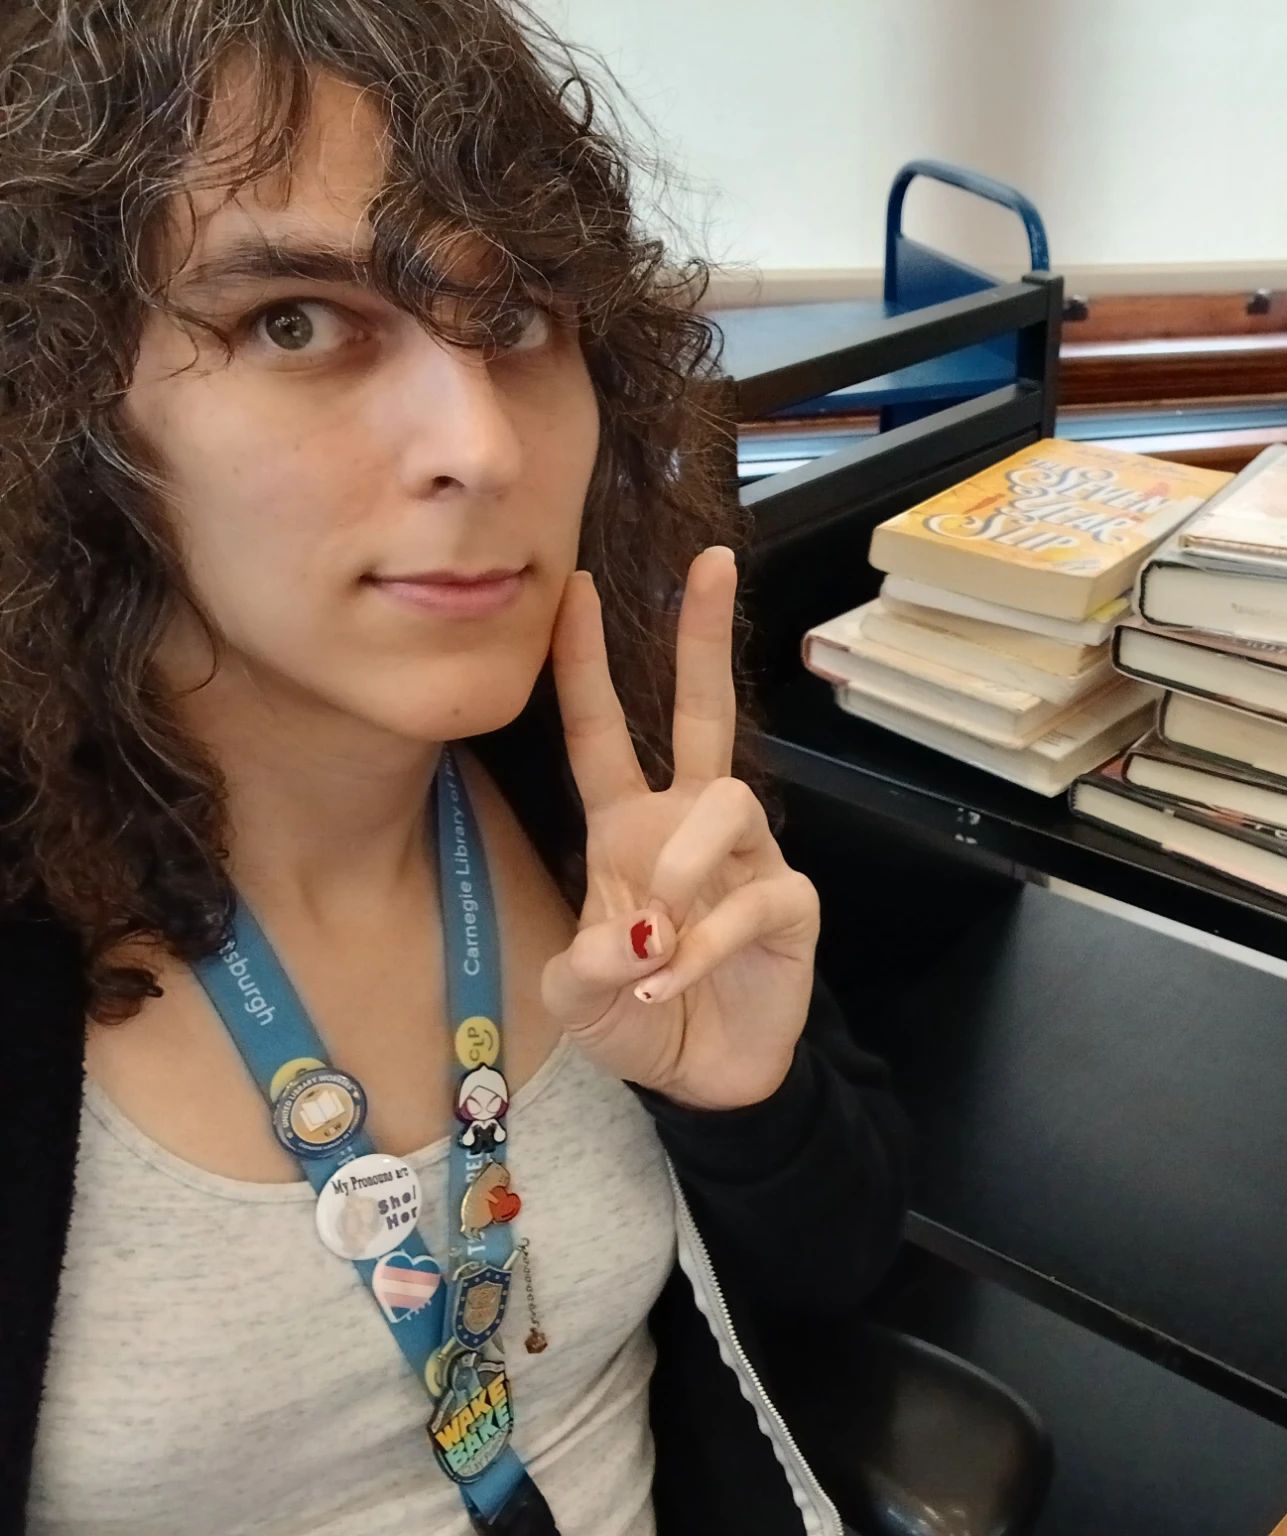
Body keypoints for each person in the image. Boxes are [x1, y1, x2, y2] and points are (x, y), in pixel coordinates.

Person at [0, 2, 909, 1533]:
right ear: (57, 401)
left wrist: (748, 1106)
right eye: (297, 319)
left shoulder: (592, 783)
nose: (481, 444)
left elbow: (839, 1268)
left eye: (520, 321)